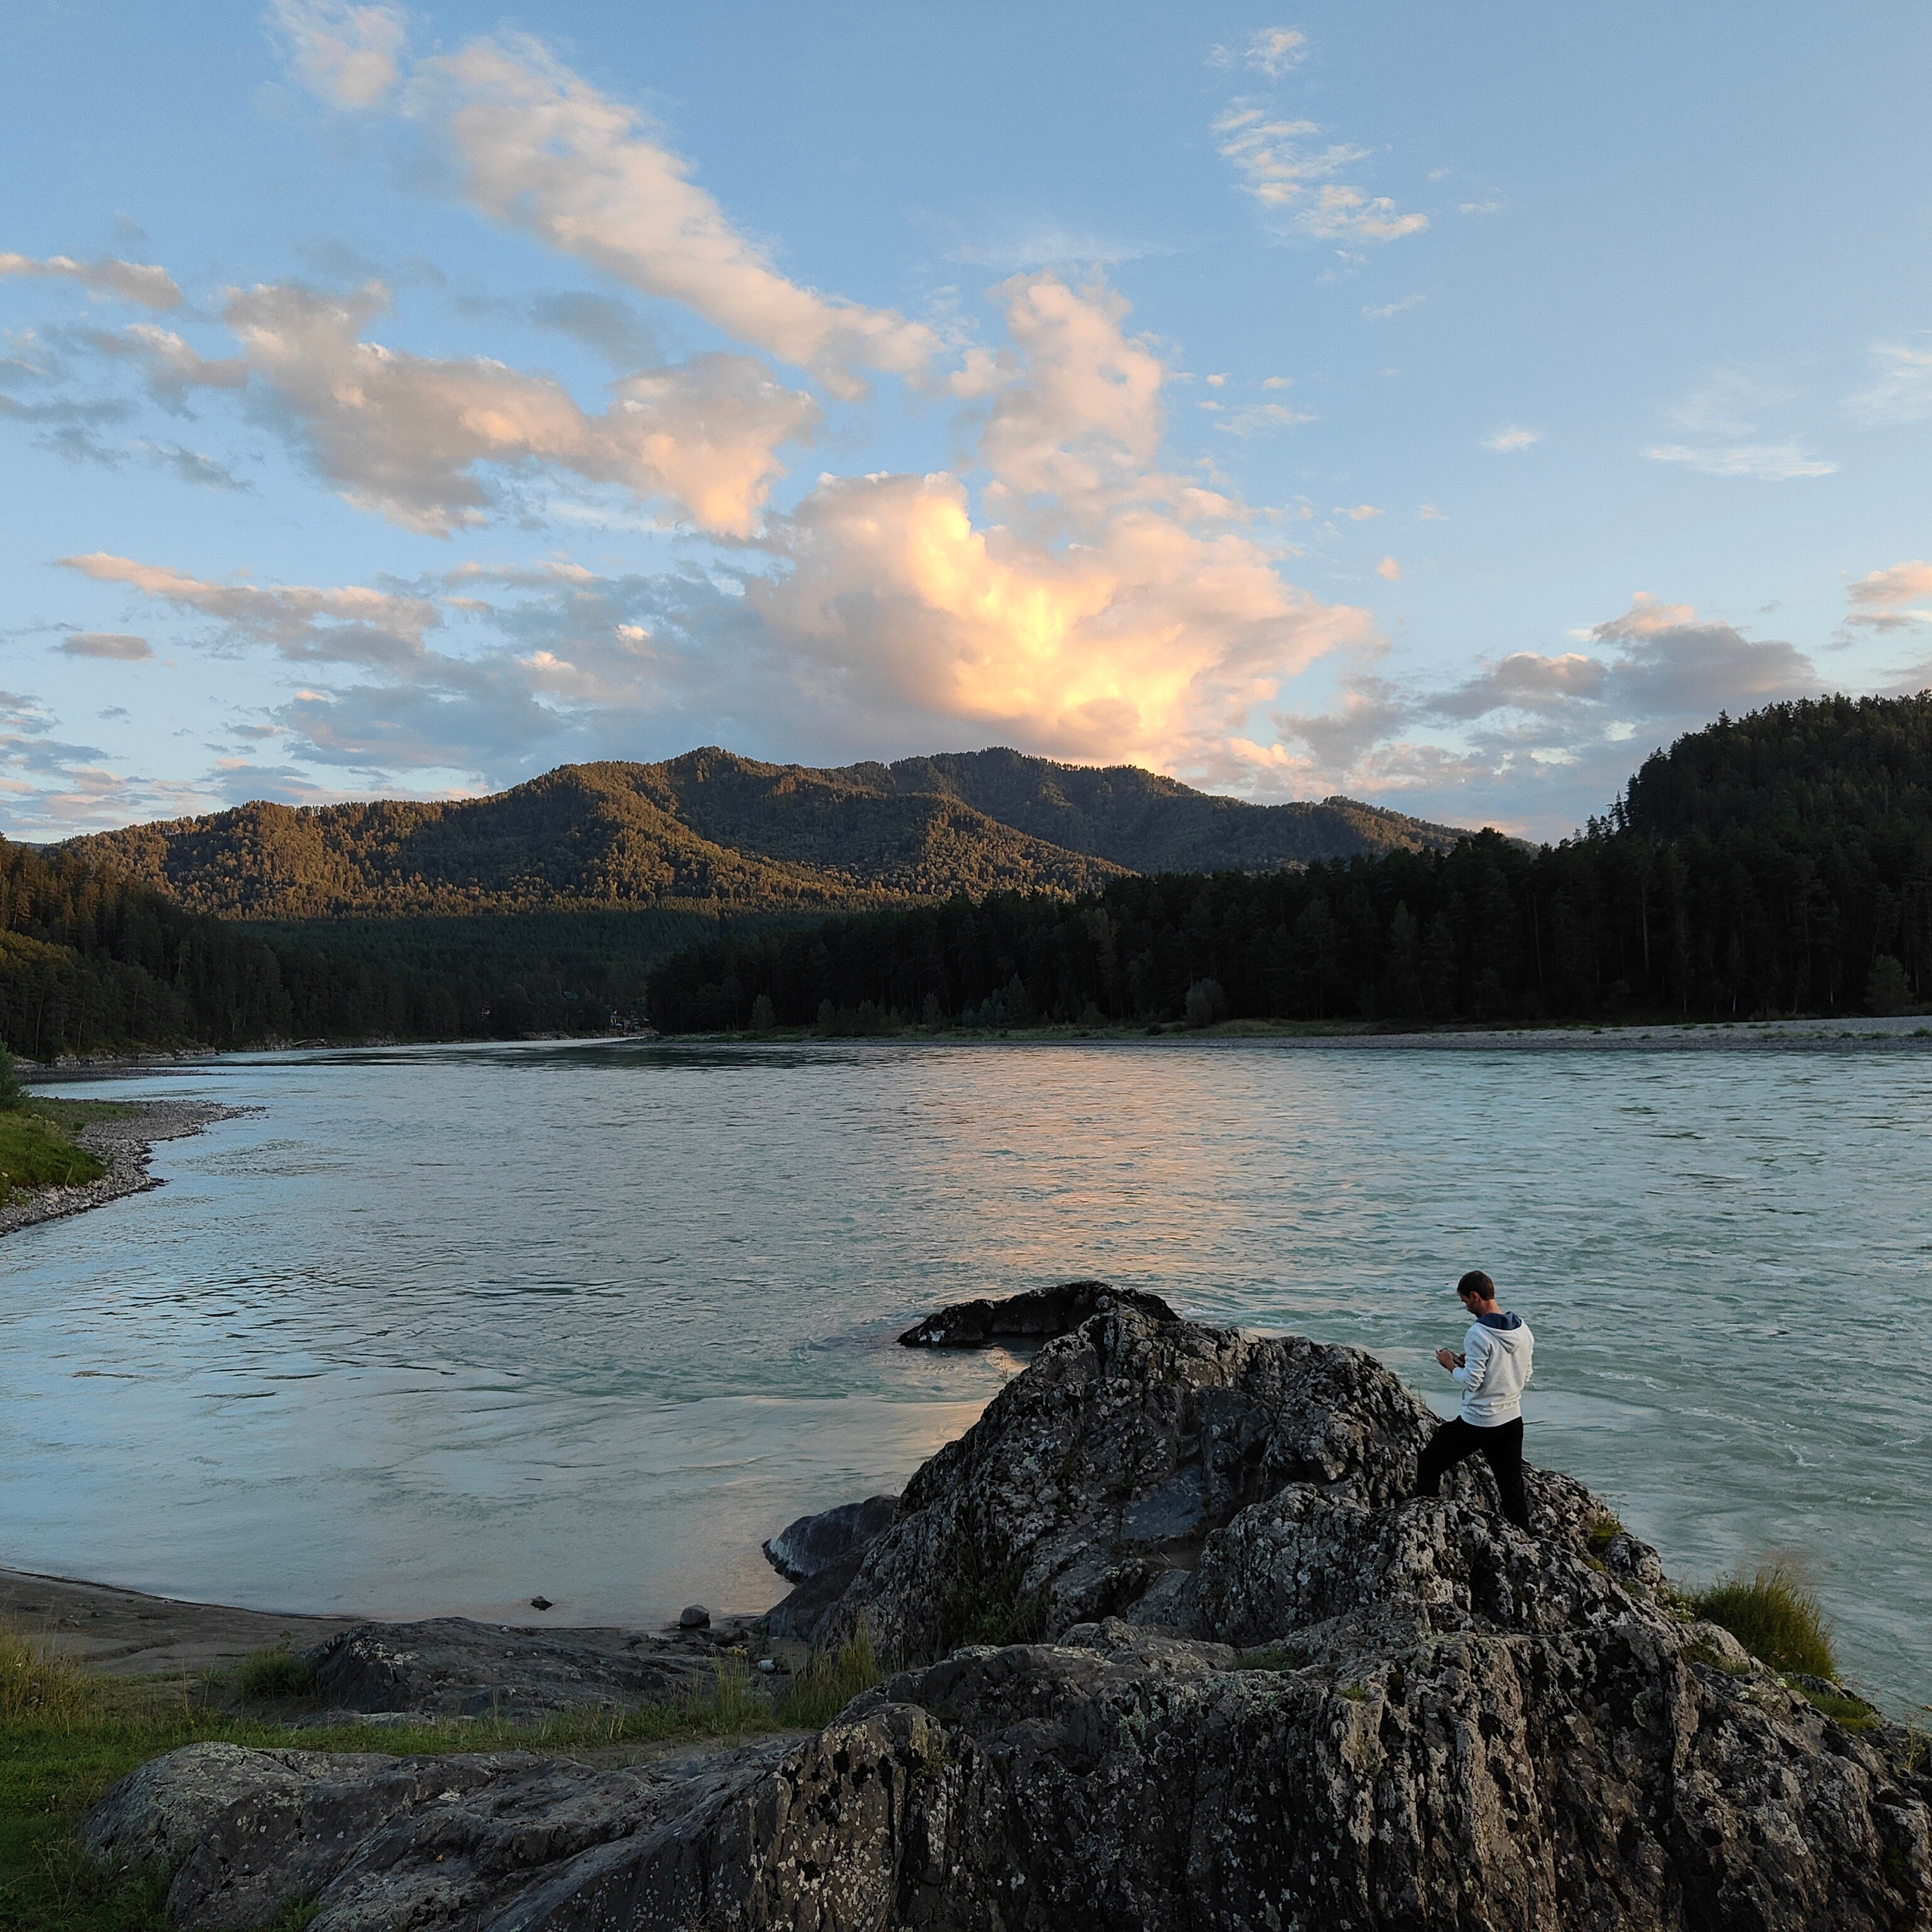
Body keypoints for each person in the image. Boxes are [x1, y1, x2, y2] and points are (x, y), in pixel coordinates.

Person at [1414, 1269, 1534, 1531]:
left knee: (1430, 1461)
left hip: (1480, 1421)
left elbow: (1471, 1382)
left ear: (1475, 1296)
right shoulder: (1523, 1330)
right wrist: (1479, 1366)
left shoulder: (1478, 1334)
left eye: (1465, 1301)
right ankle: (1526, 1540)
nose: (1466, 1306)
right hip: (1512, 1419)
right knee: (1511, 1486)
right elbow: (1524, 1374)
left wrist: (1450, 1365)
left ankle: (1425, 1524)